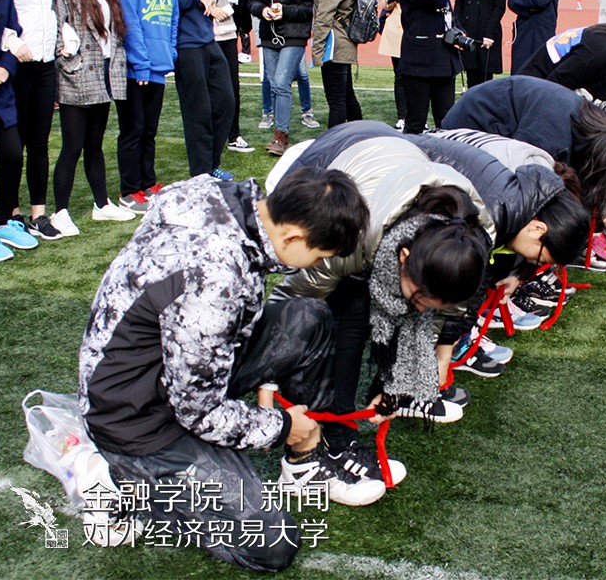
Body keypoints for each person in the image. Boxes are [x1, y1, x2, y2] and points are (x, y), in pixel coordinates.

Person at [78, 166, 380, 571]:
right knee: (272, 543)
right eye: (319, 256)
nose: (315, 265)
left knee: (308, 318)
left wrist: (270, 393)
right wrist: (281, 426)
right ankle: (119, 483)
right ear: (293, 236)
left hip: (170, 367)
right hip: (134, 416)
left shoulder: (220, 195)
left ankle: (305, 462)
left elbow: (218, 337)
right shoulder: (215, 277)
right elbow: (197, 411)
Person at [265, 123, 494, 448]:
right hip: (331, 158)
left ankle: (365, 411)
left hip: (394, 166)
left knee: (407, 315)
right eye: (418, 296)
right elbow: (288, 302)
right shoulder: (355, 238)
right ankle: (336, 438)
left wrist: (399, 384)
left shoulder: (473, 245)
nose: (421, 308)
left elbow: (438, 318)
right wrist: (267, 391)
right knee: (348, 319)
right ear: (403, 257)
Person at [442, 75, 606, 245]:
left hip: (506, 117)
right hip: (473, 123)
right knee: (507, 203)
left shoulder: (593, 133)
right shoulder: (553, 141)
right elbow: (525, 192)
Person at [48, 0, 134, 237]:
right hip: (76, 75)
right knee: (72, 146)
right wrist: (70, 61)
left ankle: (101, 203)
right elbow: (57, 27)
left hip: (104, 72)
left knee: (95, 144)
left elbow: (114, 31)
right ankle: (60, 211)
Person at [0, 0, 60, 240]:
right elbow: (4, 19)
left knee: (39, 142)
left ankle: (38, 213)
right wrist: (11, 43)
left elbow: (50, 13)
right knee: (14, 144)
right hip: (16, 67)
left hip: (45, 65)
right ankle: (11, 213)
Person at [164, 0, 236, 181]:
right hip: (186, 44)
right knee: (198, 112)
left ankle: (212, 162)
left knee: (226, 102)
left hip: (207, 38)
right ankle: (201, 172)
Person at [114, 0, 180, 215]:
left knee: (149, 130)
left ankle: (148, 183)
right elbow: (130, 23)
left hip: (158, 67)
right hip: (134, 70)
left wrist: (170, 53)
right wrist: (140, 64)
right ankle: (129, 190)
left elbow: (173, 20)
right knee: (133, 129)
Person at [249, 0, 314, 155]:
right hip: (269, 35)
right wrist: (262, 10)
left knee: (281, 81)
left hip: (294, 36)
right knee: (273, 81)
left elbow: (309, 8)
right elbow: (252, 0)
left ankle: (281, 134)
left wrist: (284, 10)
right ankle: (278, 127)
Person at [0, 0, 37, 260]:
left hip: (1, 88)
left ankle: (1, 220)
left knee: (11, 154)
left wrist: (6, 67)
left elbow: (13, 29)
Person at [395, 0, 460, 134]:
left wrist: (458, 31)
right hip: (419, 61)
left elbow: (445, 8)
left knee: (447, 122)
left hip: (443, 57)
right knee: (416, 122)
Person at [198, 0, 253, 155]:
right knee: (212, 89)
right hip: (210, 33)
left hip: (229, 31)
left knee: (232, 87)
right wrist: (211, 8)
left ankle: (233, 134)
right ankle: (213, 136)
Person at [308, 0, 362, 128]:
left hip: (334, 44)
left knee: (337, 100)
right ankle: (359, 135)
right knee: (346, 96)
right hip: (343, 40)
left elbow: (323, 17)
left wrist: (317, 51)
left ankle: (337, 140)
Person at [378, 0, 410, 128]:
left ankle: (415, 115)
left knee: (417, 75)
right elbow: (385, 4)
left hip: (416, 30)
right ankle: (402, 116)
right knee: (399, 75)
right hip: (397, 30)